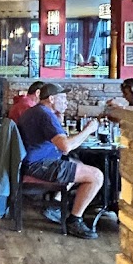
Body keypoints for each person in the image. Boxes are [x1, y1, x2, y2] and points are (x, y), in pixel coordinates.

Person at [17, 82, 105, 239]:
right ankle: (74, 220)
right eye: (63, 98)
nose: (66, 102)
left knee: (78, 164)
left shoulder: (36, 111)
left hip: (33, 162)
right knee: (97, 176)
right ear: (51, 99)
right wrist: (88, 130)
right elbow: (66, 147)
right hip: (39, 166)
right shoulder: (45, 115)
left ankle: (56, 206)